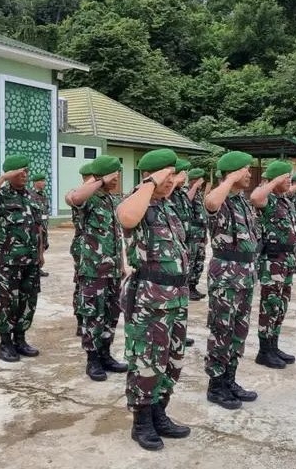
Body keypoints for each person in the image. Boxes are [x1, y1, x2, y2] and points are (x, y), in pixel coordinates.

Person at [116, 148, 190, 451]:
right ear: (154, 175)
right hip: (150, 299)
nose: (172, 180)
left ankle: (160, 412)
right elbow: (126, 217)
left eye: (174, 175)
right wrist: (149, 182)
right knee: (147, 361)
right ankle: (142, 421)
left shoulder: (168, 206)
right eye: (168, 175)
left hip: (176, 298)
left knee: (172, 360)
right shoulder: (139, 202)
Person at [203, 151, 260, 410]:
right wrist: (228, 179)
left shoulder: (242, 201)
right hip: (225, 274)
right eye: (245, 170)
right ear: (233, 172)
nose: (249, 174)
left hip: (245, 274)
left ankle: (230, 379)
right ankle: (216, 386)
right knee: (221, 330)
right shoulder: (221, 199)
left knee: (239, 330)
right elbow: (211, 203)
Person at [65, 155, 128, 381]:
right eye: (114, 174)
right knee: (93, 314)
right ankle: (92, 359)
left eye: (118, 174)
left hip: (112, 269)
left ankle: (106, 354)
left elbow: (117, 234)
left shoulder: (112, 200)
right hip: (92, 269)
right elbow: (73, 198)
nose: (117, 178)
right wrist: (99, 181)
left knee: (111, 313)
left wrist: (122, 263)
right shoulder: (88, 198)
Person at [0, 154, 44, 362]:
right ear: (11, 174)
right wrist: (3, 178)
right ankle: (5, 343)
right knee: (6, 302)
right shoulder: (2, 195)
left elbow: (39, 227)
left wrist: (40, 254)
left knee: (27, 301)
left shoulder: (34, 196)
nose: (24, 174)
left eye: (26, 170)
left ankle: (20, 339)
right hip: (8, 262)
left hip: (31, 262)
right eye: (20, 171)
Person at [250, 161, 296, 369]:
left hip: (286, 260)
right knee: (270, 305)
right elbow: (255, 197)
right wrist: (274, 180)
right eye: (285, 177)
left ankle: (273, 345)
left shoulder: (284, 200)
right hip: (272, 261)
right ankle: (264, 351)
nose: (289, 181)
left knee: (281, 304)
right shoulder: (266, 199)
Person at [169, 159, 196, 347]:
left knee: (181, 296)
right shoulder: (168, 194)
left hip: (183, 246)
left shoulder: (180, 194)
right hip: (167, 254)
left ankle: (178, 333)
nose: (185, 176)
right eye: (182, 173)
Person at [70, 163, 93, 337]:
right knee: (81, 283)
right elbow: (74, 199)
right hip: (82, 246)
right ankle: (80, 319)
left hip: (98, 250)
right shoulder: (78, 194)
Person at [187, 168, 209, 301]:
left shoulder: (199, 193)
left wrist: (205, 234)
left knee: (199, 261)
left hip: (200, 233)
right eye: (199, 180)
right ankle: (187, 287)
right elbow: (187, 200)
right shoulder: (187, 192)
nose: (201, 182)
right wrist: (194, 186)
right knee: (191, 260)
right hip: (192, 234)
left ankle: (193, 286)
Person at [30, 173, 50, 277]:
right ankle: (34, 268)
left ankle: (38, 267)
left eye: (44, 181)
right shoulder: (30, 195)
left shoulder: (44, 195)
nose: (44, 183)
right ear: (35, 182)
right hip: (36, 227)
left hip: (44, 226)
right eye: (41, 181)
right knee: (35, 246)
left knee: (43, 245)